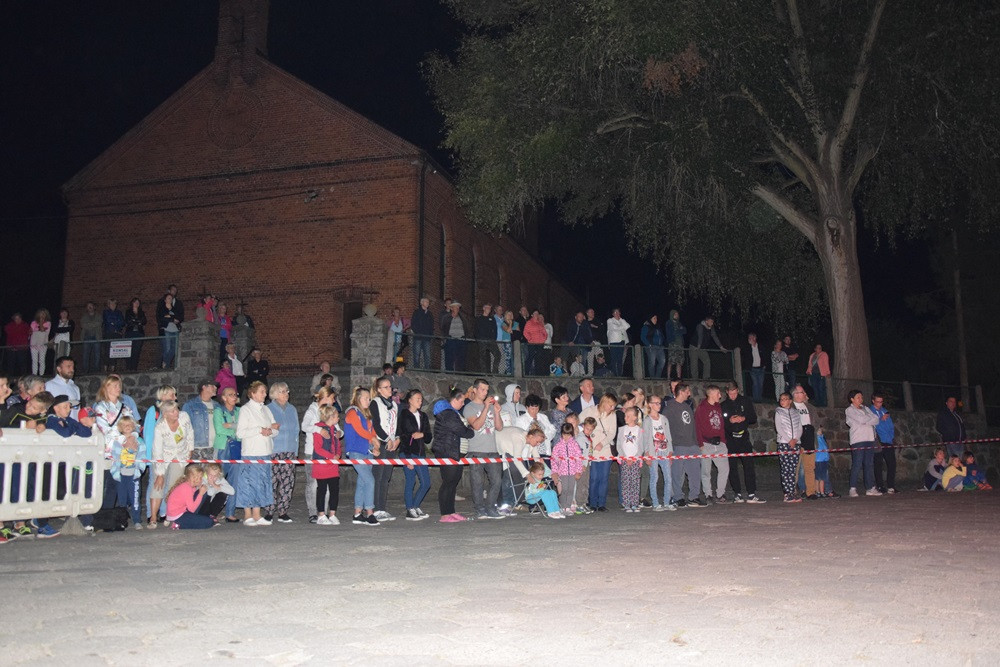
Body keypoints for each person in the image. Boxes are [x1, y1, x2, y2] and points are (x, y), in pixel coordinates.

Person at [235, 381, 278, 526]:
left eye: (265, 392)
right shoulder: (245, 410)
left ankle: (257, 514)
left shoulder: (266, 409)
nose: (265, 394)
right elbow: (240, 433)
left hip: (265, 451)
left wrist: (270, 431)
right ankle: (248, 515)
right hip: (251, 452)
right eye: (262, 392)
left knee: (262, 483)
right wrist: (260, 430)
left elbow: (275, 428)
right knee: (248, 483)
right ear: (252, 394)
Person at [463, 379, 505, 520]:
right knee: (477, 482)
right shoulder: (469, 407)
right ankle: (480, 509)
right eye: (482, 389)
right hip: (476, 450)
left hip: (492, 449)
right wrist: (486, 408)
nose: (485, 392)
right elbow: (476, 425)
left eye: (487, 390)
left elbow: (499, 427)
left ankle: (490, 506)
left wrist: (497, 412)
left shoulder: (492, 407)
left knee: (496, 480)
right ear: (474, 390)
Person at [149, 400, 194, 528]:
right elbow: (157, 451)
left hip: (180, 455)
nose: (177, 412)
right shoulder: (160, 428)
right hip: (163, 456)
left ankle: (171, 515)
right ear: (165, 414)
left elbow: (190, 432)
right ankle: (153, 517)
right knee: (158, 485)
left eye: (177, 409)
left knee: (174, 486)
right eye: (173, 411)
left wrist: (190, 449)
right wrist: (160, 474)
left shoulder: (184, 417)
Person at [433, 387, 476, 522]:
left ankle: (451, 511)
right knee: (448, 482)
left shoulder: (453, 413)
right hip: (447, 451)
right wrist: (470, 431)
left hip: (454, 452)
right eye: (462, 401)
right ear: (455, 399)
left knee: (453, 483)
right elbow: (460, 430)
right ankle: (445, 514)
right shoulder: (448, 413)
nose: (463, 404)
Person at [300, 386, 339, 523]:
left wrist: (340, 433)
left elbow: (337, 427)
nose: (334, 401)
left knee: (327, 485)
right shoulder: (312, 410)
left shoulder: (330, 411)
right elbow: (304, 426)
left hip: (329, 453)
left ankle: (324, 512)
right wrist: (319, 429)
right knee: (313, 484)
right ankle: (313, 513)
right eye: (332, 398)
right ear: (325, 396)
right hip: (312, 452)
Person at [721, 381, 764, 503]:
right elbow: (721, 423)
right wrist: (729, 420)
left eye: (734, 393)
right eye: (730, 393)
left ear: (738, 391)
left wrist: (743, 418)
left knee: (749, 466)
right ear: (727, 392)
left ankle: (751, 493)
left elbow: (753, 418)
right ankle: (737, 493)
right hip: (730, 439)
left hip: (744, 438)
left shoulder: (746, 401)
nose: (733, 396)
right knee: (732, 467)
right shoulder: (723, 405)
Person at [663, 383, 705, 507]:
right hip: (678, 445)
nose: (689, 393)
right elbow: (665, 428)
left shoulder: (687, 407)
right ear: (681, 392)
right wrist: (670, 446)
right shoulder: (669, 408)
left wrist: (697, 443)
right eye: (687, 391)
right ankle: (678, 497)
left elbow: (692, 426)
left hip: (692, 444)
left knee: (695, 472)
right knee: (677, 473)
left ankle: (694, 496)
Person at [344, 386, 379, 526]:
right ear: (358, 398)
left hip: (367, 451)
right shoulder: (352, 412)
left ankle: (357, 513)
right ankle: (370, 512)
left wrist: (374, 446)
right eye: (366, 398)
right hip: (356, 451)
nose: (368, 401)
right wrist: (373, 440)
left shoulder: (366, 413)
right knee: (370, 480)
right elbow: (360, 431)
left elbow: (372, 431)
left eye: (369, 399)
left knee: (363, 482)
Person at [265, 382, 298, 524]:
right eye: (283, 391)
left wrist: (295, 451)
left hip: (289, 451)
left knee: (287, 482)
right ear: (275, 394)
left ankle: (283, 511)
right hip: (273, 451)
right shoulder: (268, 409)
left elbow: (296, 430)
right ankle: (269, 511)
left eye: (287, 391)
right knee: (272, 482)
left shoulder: (292, 409)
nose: (286, 394)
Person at [398, 389, 433, 520]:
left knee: (426, 483)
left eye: (421, 399)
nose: (420, 401)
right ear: (410, 400)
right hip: (408, 452)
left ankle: (414, 505)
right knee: (410, 481)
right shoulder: (404, 414)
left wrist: (422, 434)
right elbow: (404, 436)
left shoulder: (423, 416)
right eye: (417, 399)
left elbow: (429, 436)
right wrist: (407, 458)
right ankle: (409, 509)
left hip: (420, 453)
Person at [579, 393, 618, 511]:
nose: (612, 408)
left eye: (614, 406)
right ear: (604, 403)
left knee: (604, 477)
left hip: (605, 450)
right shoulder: (590, 411)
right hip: (593, 450)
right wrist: (585, 437)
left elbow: (612, 432)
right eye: (610, 405)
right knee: (594, 477)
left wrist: (603, 443)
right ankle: (592, 503)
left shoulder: (613, 415)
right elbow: (578, 422)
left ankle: (601, 504)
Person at [370, 376, 400, 522]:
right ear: (379, 390)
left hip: (391, 444)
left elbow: (396, 423)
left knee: (386, 477)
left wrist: (396, 439)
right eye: (386, 387)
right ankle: (375, 509)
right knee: (378, 476)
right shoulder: (375, 403)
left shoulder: (394, 404)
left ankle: (382, 507)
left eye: (390, 387)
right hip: (381, 443)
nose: (390, 389)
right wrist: (387, 438)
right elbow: (376, 424)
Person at [109, 415, 146, 529]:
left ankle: (136, 520)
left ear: (133, 426)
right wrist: (115, 471)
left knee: (135, 498)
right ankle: (122, 521)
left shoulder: (139, 441)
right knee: (122, 499)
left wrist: (139, 469)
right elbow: (114, 457)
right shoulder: (117, 442)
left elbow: (142, 456)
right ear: (120, 427)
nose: (127, 427)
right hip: (121, 474)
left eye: (129, 425)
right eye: (124, 425)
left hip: (133, 474)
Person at [694, 385, 729, 503]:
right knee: (706, 471)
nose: (720, 396)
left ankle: (720, 494)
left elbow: (721, 425)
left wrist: (724, 441)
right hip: (706, 443)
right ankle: (708, 494)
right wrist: (700, 444)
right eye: (718, 393)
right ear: (711, 394)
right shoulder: (701, 408)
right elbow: (697, 427)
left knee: (724, 468)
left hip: (719, 444)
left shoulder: (718, 407)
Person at [212, 385, 242, 522]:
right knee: (217, 479)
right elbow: (219, 430)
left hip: (237, 448)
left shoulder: (240, 411)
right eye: (230, 395)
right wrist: (235, 430)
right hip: (223, 448)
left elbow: (244, 429)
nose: (234, 396)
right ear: (224, 398)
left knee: (234, 481)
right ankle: (212, 511)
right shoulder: (218, 411)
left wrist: (230, 426)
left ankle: (230, 512)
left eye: (235, 394)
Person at [845, 389, 882, 497]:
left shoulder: (866, 408)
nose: (861, 399)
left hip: (870, 439)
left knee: (869, 464)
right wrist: (867, 420)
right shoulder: (849, 410)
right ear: (852, 399)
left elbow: (876, 419)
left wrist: (867, 419)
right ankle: (852, 488)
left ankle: (870, 487)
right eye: (858, 397)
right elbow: (860, 419)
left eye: (861, 397)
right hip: (858, 440)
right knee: (857, 464)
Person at [311, 405, 343, 525]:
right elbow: (318, 449)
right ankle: (321, 515)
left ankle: (332, 514)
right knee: (322, 489)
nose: (338, 418)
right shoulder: (319, 430)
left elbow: (338, 445)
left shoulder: (335, 429)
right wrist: (331, 456)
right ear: (330, 416)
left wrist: (338, 454)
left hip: (333, 466)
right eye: (337, 416)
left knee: (335, 489)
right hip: (322, 465)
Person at [643, 395, 674, 511]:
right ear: (650, 405)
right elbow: (645, 438)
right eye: (656, 403)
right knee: (654, 477)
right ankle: (655, 503)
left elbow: (668, 436)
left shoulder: (664, 419)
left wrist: (670, 451)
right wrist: (647, 454)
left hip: (664, 452)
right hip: (653, 453)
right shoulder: (647, 420)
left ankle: (666, 502)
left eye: (659, 403)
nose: (658, 405)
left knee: (668, 477)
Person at [165, 464, 215, 529]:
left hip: (182, 512)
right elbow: (192, 509)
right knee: (209, 522)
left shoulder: (191, 487)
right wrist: (200, 494)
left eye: (201, 478)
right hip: (178, 516)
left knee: (203, 493)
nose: (201, 480)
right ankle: (177, 524)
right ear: (194, 478)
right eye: (199, 477)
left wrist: (200, 491)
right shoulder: (186, 488)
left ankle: (197, 518)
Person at [774, 392, 802, 503]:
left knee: (793, 469)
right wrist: (788, 440)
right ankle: (787, 493)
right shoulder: (778, 412)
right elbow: (779, 428)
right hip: (784, 443)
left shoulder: (796, 412)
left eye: (785, 399)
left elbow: (800, 427)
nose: (782, 401)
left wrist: (795, 439)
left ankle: (792, 491)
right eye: (781, 399)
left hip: (795, 443)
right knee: (786, 469)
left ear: (790, 401)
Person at [551, 422, 583, 515]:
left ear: (571, 434)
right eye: (564, 434)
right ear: (561, 434)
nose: (566, 437)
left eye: (568, 435)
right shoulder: (558, 446)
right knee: (563, 490)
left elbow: (579, 459)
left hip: (572, 472)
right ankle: (562, 507)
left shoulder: (575, 445)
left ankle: (568, 507)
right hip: (562, 472)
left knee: (570, 489)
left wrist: (578, 471)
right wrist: (555, 472)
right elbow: (554, 460)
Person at [792, 385, 818, 500]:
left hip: (809, 437)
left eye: (801, 392)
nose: (799, 394)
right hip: (796, 438)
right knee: (794, 468)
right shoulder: (790, 407)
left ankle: (811, 492)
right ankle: (792, 491)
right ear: (793, 394)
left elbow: (816, 423)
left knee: (809, 467)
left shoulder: (811, 408)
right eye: (797, 392)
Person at [616, 406, 643, 512]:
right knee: (626, 481)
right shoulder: (622, 429)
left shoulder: (639, 430)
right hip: (625, 459)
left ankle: (635, 503)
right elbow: (619, 445)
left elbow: (641, 446)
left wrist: (635, 457)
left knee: (635, 481)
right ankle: (627, 503)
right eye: (625, 416)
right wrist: (624, 457)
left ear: (634, 417)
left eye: (628, 416)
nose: (625, 418)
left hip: (635, 460)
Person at [182, 380, 217, 459]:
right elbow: (184, 427)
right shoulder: (190, 405)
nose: (215, 388)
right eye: (212, 386)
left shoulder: (217, 405)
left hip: (215, 447)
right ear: (204, 387)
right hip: (197, 448)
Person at [870, 392, 897, 494]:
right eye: (878, 402)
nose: (880, 404)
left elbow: (890, 425)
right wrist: (881, 420)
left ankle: (891, 486)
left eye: (881, 402)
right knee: (878, 464)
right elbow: (873, 424)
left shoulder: (885, 411)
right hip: (878, 440)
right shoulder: (870, 411)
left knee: (892, 463)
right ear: (873, 401)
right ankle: (880, 486)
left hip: (888, 440)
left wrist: (891, 437)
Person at [156, 292, 182, 369]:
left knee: (174, 349)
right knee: (167, 348)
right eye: (169, 298)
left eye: (171, 298)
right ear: (165, 300)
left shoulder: (174, 309)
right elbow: (162, 318)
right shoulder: (162, 309)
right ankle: (166, 366)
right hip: (166, 330)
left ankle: (165, 362)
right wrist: (172, 318)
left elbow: (179, 317)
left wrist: (170, 317)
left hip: (175, 330)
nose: (170, 299)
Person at [441, 301, 467, 372]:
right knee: (449, 357)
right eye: (456, 307)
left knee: (461, 357)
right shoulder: (446, 317)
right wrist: (445, 337)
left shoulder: (463, 318)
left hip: (461, 339)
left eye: (458, 307)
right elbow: (443, 327)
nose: (457, 308)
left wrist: (465, 337)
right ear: (452, 308)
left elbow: (467, 328)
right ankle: (449, 371)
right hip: (451, 339)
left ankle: (460, 372)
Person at [122, 298, 147, 371]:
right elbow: (128, 321)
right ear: (132, 303)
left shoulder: (141, 312)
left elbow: (144, 321)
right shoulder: (128, 312)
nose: (137, 303)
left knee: (137, 351)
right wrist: (138, 322)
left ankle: (134, 368)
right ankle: (128, 368)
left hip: (139, 333)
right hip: (130, 333)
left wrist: (135, 321)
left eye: (138, 302)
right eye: (135, 302)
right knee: (129, 351)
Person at [410, 297, 434, 369]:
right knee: (417, 354)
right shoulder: (417, 312)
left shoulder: (429, 314)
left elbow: (431, 325)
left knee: (427, 355)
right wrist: (417, 332)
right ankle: (416, 369)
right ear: (422, 303)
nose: (428, 303)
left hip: (427, 337)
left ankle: (427, 370)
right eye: (426, 302)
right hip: (418, 337)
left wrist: (430, 334)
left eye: (428, 302)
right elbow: (413, 323)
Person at [605, 308, 630, 376]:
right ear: (613, 314)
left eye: (618, 312)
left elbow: (628, 326)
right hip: (614, 341)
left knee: (620, 359)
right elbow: (614, 328)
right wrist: (622, 327)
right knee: (614, 359)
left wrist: (621, 320)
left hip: (622, 341)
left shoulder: (622, 320)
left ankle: (619, 374)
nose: (617, 314)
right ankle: (613, 373)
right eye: (615, 312)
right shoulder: (610, 320)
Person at [101, 299, 124, 372]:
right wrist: (116, 322)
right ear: (108, 305)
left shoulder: (119, 312)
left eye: (114, 304)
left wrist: (114, 322)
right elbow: (107, 321)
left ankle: (113, 368)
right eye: (111, 304)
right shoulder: (105, 312)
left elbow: (122, 322)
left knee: (115, 351)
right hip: (108, 333)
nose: (113, 305)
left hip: (117, 333)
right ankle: (105, 368)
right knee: (107, 351)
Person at [474, 303, 498, 373]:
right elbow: (476, 330)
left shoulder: (492, 319)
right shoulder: (479, 319)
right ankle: (484, 372)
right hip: (482, 340)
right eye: (487, 308)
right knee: (483, 357)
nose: (488, 309)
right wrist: (479, 339)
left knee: (498, 355)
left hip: (491, 340)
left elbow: (495, 329)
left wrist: (494, 338)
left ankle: (494, 371)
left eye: (490, 308)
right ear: (483, 308)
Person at [521, 310, 547, 375]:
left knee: (539, 358)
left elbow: (545, 333)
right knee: (530, 356)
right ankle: (526, 372)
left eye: (538, 314)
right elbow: (525, 332)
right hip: (532, 343)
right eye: (535, 314)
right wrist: (530, 339)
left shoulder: (540, 323)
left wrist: (543, 340)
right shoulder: (529, 322)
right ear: (532, 315)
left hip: (540, 344)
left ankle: (538, 373)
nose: (537, 315)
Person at [741, 333, 766, 401]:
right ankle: (756, 400)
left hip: (761, 368)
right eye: (748, 338)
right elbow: (744, 356)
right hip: (752, 369)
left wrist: (764, 365)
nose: (749, 339)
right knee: (755, 384)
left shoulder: (760, 346)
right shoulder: (748, 348)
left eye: (750, 338)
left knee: (760, 384)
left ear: (754, 338)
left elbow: (764, 356)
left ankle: (760, 399)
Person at [640, 315, 666, 379]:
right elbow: (643, 337)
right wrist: (648, 345)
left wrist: (663, 342)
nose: (656, 319)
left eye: (656, 318)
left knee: (662, 361)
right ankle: (652, 378)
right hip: (651, 347)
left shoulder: (658, 327)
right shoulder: (646, 327)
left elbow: (662, 336)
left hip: (660, 347)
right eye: (654, 318)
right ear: (650, 319)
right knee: (652, 362)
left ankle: (657, 377)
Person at [79, 302, 102, 374]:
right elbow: (83, 325)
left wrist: (88, 325)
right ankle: (85, 370)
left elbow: (99, 323)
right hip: (87, 337)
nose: (90, 307)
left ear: (94, 307)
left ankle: (96, 370)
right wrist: (93, 324)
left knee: (97, 354)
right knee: (86, 354)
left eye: (91, 306)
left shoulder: (99, 315)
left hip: (96, 337)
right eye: (88, 306)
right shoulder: (84, 317)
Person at [29, 309, 51, 375]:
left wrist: (41, 322)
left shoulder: (48, 323)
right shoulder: (33, 323)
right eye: (41, 314)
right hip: (34, 343)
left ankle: (41, 375)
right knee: (34, 361)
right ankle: (34, 375)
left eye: (44, 314)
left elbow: (42, 330)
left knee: (41, 360)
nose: (42, 315)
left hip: (43, 344)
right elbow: (30, 332)